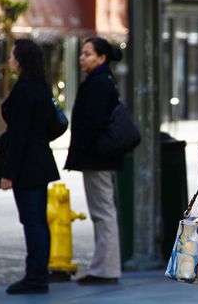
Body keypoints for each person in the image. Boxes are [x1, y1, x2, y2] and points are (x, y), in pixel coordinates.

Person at [0, 39, 60, 294]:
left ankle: (35, 278)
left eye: (12, 57)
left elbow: (19, 135)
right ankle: (37, 274)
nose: (9, 61)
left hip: (28, 165)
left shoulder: (25, 90)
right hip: (39, 160)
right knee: (37, 222)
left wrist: (8, 173)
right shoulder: (41, 86)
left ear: (20, 61)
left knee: (32, 222)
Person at [64, 37, 124, 285]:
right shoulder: (100, 80)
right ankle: (103, 267)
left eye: (88, 54)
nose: (82, 57)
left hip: (98, 158)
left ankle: (106, 269)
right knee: (102, 212)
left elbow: (95, 122)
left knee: (103, 213)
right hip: (98, 157)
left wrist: (85, 146)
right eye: (82, 53)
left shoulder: (99, 83)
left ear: (101, 58)